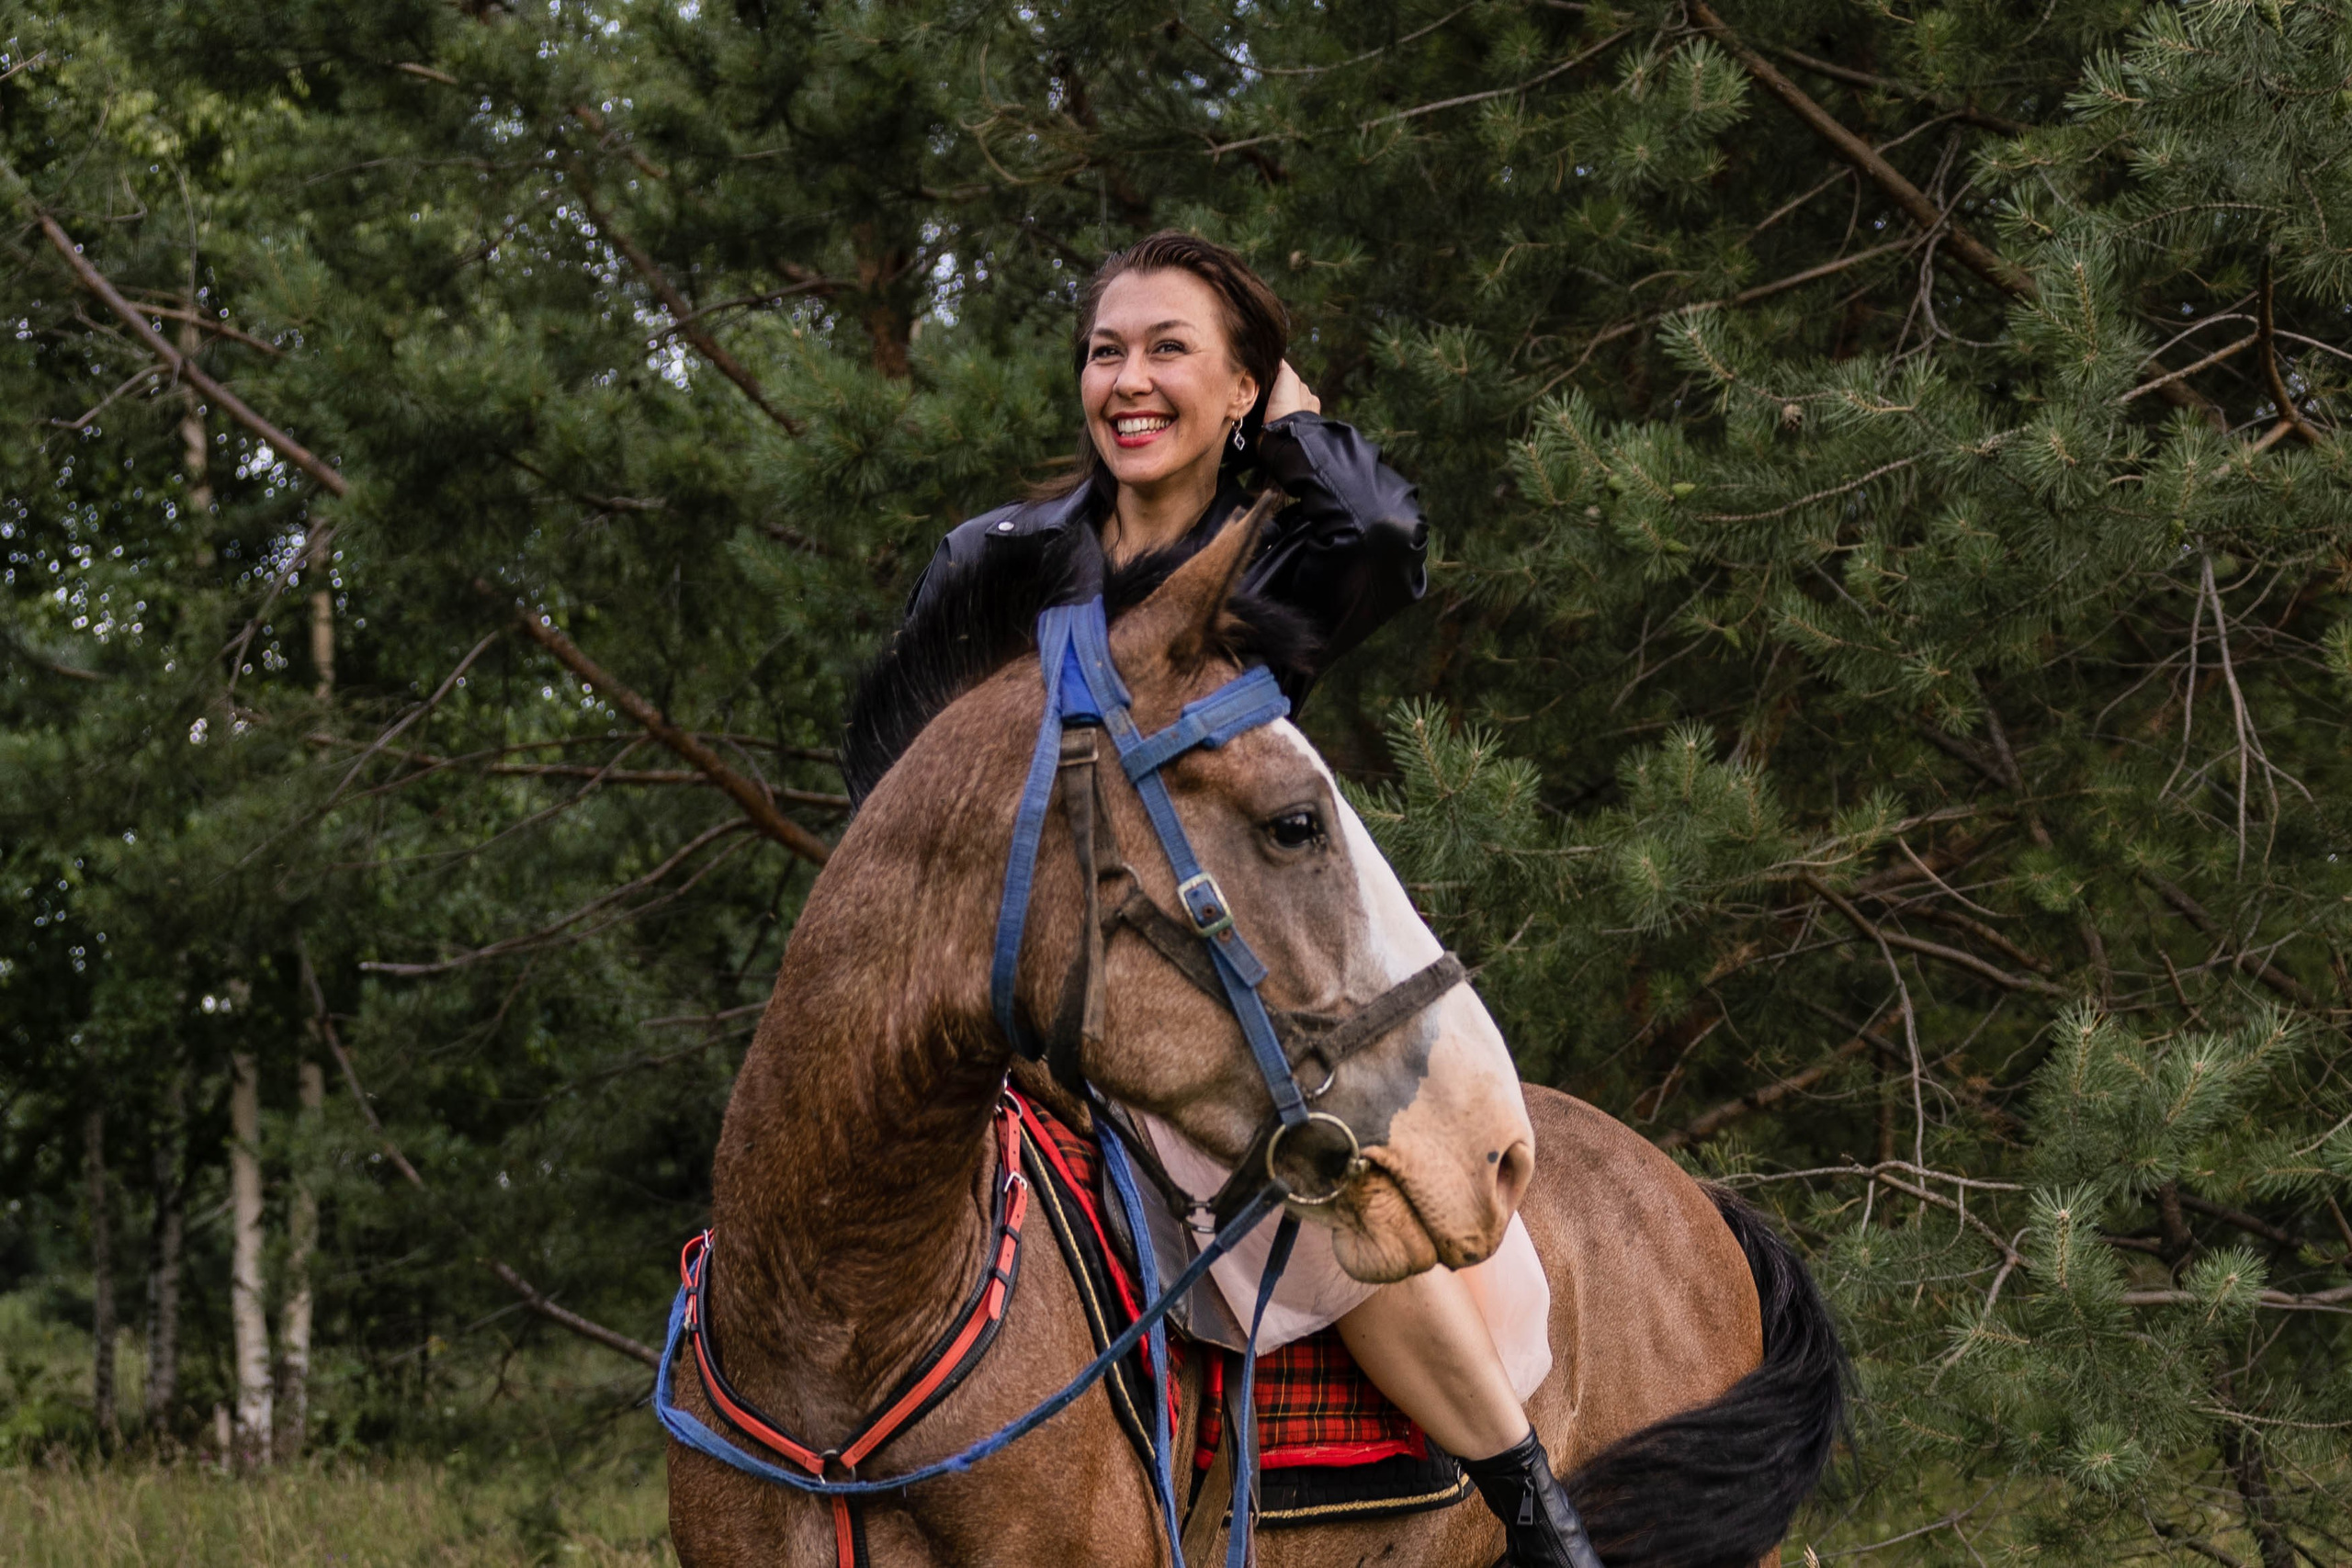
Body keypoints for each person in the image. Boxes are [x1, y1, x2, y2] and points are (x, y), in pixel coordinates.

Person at [842, 231, 1591, 1568]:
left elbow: (1380, 530)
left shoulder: (1278, 561)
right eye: (1105, 352)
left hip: (1214, 938)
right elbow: (893, 782)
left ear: (1244, 386)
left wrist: (1282, 410)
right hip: (1009, 966)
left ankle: (1530, 1506)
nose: (1128, 380)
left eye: (1169, 350)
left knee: (1309, 1183)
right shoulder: (997, 560)